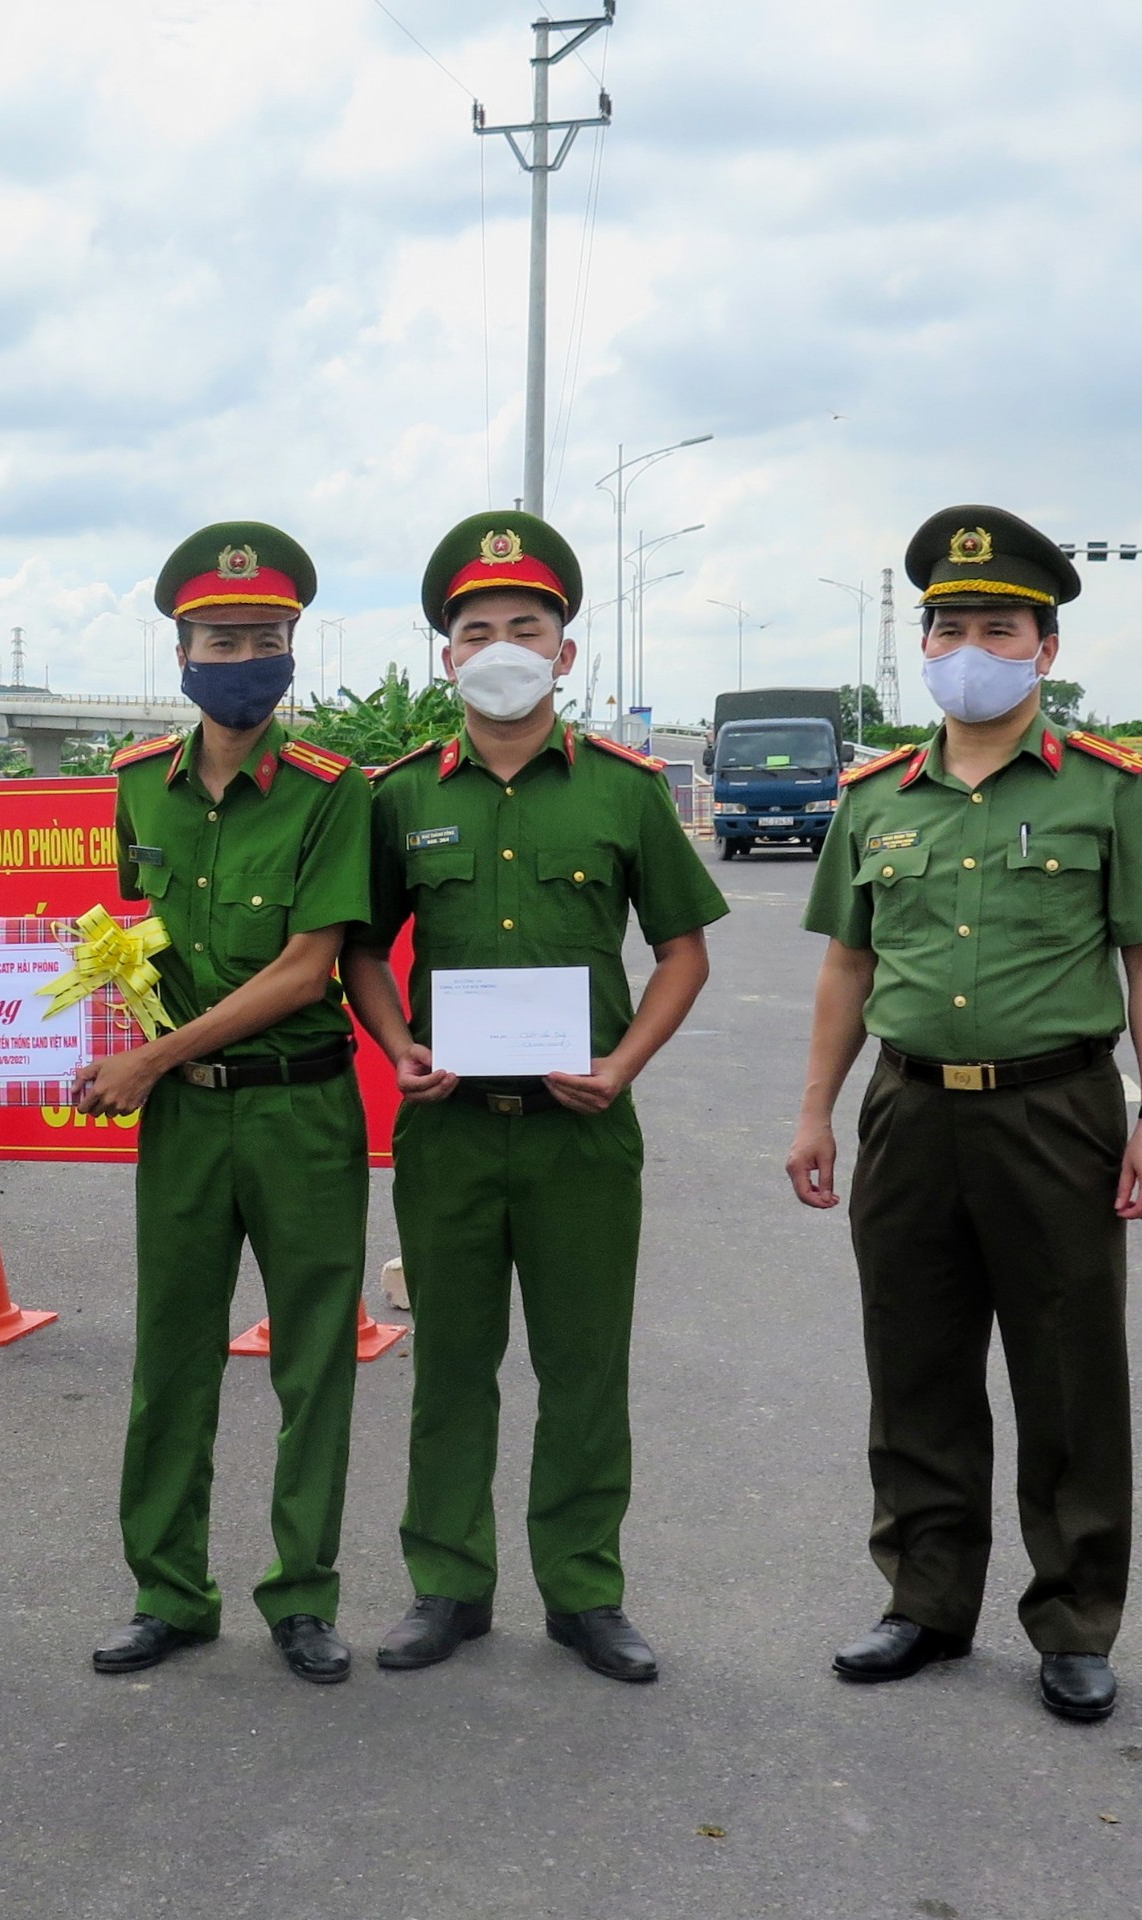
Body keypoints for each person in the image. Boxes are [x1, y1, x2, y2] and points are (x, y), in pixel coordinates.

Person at [785, 505, 1142, 1724]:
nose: (971, 644)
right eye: (949, 625)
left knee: (1069, 1375)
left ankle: (1074, 1620)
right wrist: (814, 1112)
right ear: (921, 644)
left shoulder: (1108, 791)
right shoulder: (876, 798)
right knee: (912, 1365)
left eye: (998, 626)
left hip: (1056, 1112)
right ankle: (923, 1604)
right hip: (907, 1115)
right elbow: (846, 973)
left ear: (1045, 649)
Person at [341, 512, 726, 1683]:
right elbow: (360, 949)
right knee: (451, 1365)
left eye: (526, 625)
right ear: (444, 657)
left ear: (565, 652)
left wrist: (622, 1065)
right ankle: (447, 1586)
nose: (500, 644)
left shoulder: (622, 791)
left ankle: (584, 1591)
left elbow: (682, 952)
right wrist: (400, 1043)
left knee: (582, 1367)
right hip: (447, 1131)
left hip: (582, 1134)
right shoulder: (399, 797)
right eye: (475, 629)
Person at [75, 521, 374, 1685]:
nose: (238, 655)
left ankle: (302, 1597)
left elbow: (308, 969)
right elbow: (123, 944)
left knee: (313, 1360)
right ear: (181, 649)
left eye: (261, 636)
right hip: (186, 1120)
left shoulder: (329, 794)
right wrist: (113, 1040)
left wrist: (147, 1061)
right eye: (217, 637)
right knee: (171, 1357)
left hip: (301, 1109)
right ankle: (167, 1592)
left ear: (292, 642)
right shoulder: (137, 788)